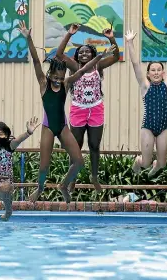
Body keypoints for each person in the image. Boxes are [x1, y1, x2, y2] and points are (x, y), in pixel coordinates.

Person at [18, 20, 116, 203]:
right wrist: (29, 38)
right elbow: (36, 60)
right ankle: (39, 189)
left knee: (79, 162)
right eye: (55, 78)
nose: (58, 81)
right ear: (49, 76)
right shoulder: (42, 83)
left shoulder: (66, 83)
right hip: (48, 127)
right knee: (44, 167)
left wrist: (101, 56)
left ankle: (63, 185)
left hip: (62, 127)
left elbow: (84, 69)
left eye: (60, 78)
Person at [55, 23, 120, 193]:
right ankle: (72, 180)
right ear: (77, 55)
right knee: (76, 146)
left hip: (96, 109)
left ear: (93, 54)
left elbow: (115, 57)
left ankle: (94, 177)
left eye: (88, 51)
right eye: (81, 52)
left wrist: (111, 38)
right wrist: (69, 34)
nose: (84, 53)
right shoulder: (74, 67)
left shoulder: (98, 66)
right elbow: (59, 54)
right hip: (78, 109)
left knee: (94, 145)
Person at [125, 29, 167, 177]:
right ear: (148, 74)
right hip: (148, 126)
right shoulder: (145, 86)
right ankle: (138, 164)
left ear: (163, 73)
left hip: (164, 126)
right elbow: (135, 64)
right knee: (145, 163)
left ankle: (148, 177)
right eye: (153, 70)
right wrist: (129, 42)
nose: (156, 72)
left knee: (162, 165)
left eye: (159, 70)